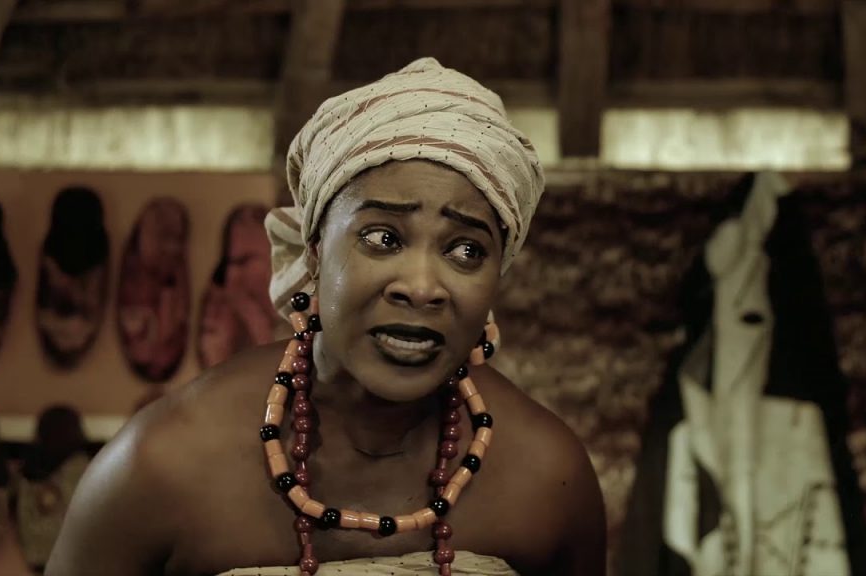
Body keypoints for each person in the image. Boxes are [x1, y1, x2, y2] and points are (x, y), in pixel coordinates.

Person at [46, 57, 605, 576]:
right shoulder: (162, 464)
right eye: (383, 238)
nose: (421, 287)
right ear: (314, 251)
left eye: (466, 250)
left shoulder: (548, 481)